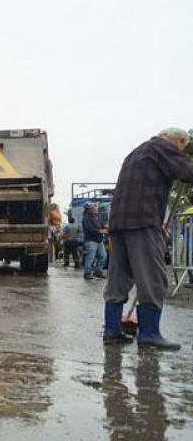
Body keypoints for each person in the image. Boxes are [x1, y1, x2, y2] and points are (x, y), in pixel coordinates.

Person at [103, 128, 193, 349]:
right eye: (182, 147)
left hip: (119, 223)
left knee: (118, 280)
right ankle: (149, 335)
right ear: (178, 141)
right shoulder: (163, 148)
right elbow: (188, 173)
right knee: (153, 279)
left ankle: (112, 332)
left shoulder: (134, 153)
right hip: (142, 221)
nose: (180, 151)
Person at [82, 202, 107, 280]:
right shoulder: (86, 218)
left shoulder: (98, 216)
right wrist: (100, 231)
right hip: (91, 240)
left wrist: (106, 227)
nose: (95, 208)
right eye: (93, 207)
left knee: (103, 256)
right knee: (90, 257)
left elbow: (103, 225)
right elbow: (90, 228)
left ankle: (98, 271)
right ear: (89, 209)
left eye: (95, 207)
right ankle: (87, 273)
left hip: (99, 240)